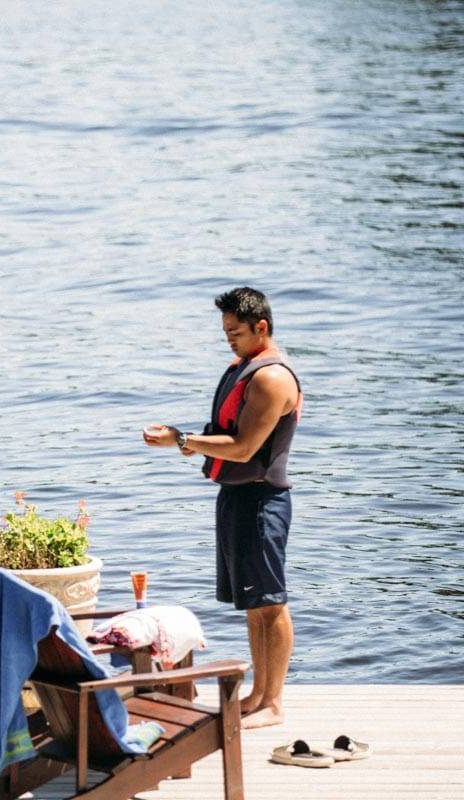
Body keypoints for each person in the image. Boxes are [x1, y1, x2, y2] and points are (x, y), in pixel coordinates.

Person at [143, 287, 302, 730]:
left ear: (261, 328)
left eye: (234, 332)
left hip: (262, 501)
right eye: (225, 332)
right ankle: (257, 695)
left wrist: (181, 439)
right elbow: (229, 439)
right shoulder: (244, 368)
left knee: (271, 602)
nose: (228, 340)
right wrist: (191, 444)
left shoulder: (272, 378)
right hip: (238, 497)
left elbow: (247, 446)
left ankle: (274, 703)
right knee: (253, 603)